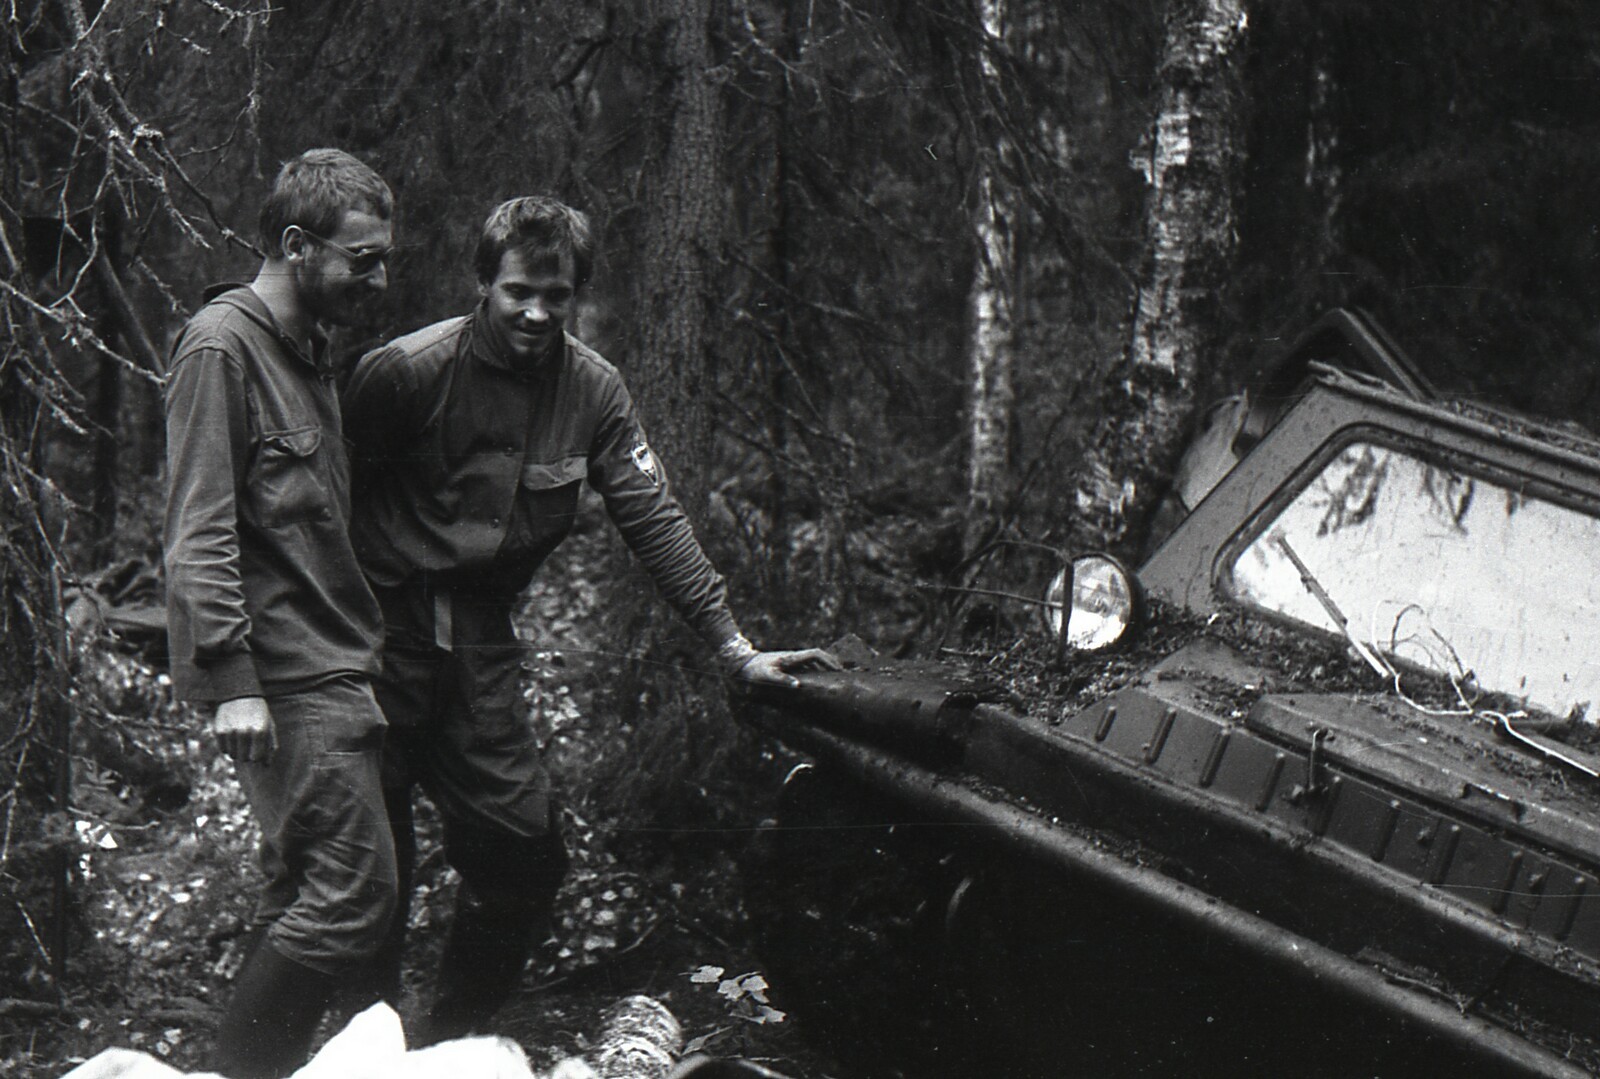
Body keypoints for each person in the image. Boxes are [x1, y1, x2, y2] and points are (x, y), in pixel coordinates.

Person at [341, 195, 839, 1043]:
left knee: (525, 860)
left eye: (557, 296)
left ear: (577, 296)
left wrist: (732, 646)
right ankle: (367, 1048)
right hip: (374, 641)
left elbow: (654, 516)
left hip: (480, 652)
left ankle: (446, 1043)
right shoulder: (406, 371)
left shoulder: (594, 390)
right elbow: (315, 505)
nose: (537, 312)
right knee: (367, 877)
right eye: (518, 292)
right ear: (483, 285)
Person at [161, 148, 399, 1078]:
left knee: (305, 888)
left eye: (384, 256)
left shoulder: (307, 347)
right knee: (352, 894)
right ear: (298, 246)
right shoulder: (223, 347)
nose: (379, 277)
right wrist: (231, 681)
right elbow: (198, 529)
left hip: (332, 656)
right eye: (362, 258)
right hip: (288, 676)